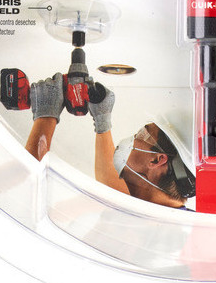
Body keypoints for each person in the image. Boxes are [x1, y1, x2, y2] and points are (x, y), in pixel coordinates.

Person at [25, 75, 196, 209]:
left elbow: (28, 201)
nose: (133, 138)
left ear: (157, 159)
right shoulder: (163, 215)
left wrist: (45, 116)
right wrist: (102, 122)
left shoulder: (134, 225)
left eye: (142, 134)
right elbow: (113, 192)